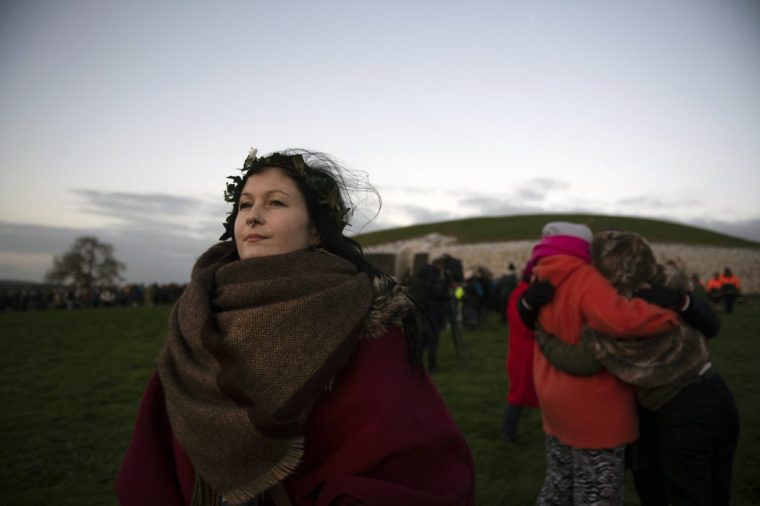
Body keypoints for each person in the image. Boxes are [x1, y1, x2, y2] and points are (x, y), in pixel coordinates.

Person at [116, 149, 476, 506]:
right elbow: (154, 458)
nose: (253, 217)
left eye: (276, 203)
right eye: (244, 204)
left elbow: (411, 464)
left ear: (316, 230)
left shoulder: (365, 324)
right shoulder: (196, 316)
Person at [535, 229, 739, 506]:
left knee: (681, 494)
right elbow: (712, 326)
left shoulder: (618, 316)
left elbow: (584, 362)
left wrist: (542, 336)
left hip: (678, 408)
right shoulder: (669, 281)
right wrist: (684, 302)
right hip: (715, 392)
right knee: (715, 489)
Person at [529, 222, 679, 506]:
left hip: (553, 401)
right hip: (592, 410)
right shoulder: (583, 277)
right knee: (598, 494)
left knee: (558, 486)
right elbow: (618, 317)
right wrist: (667, 315)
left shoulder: (540, 277)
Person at [501, 261, 541, 443]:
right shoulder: (521, 294)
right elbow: (524, 326)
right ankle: (508, 434)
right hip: (524, 356)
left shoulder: (526, 292)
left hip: (531, 354)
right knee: (518, 396)